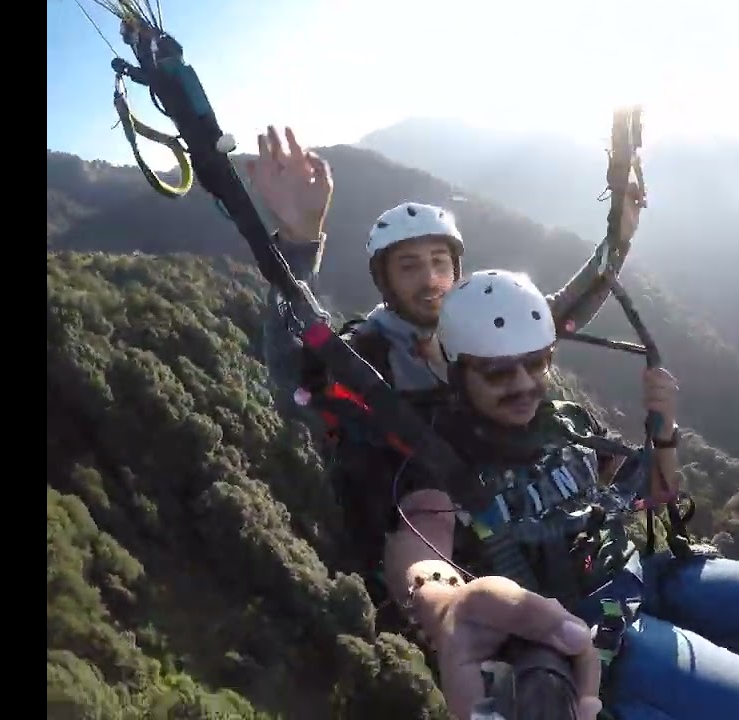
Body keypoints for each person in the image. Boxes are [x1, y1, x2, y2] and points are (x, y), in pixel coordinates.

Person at [382, 270, 739, 720]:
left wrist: (664, 427)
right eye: (498, 373)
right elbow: (421, 550)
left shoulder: (565, 421)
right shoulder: (440, 460)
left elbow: (659, 491)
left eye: (536, 362)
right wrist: (445, 606)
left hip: (638, 573)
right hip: (587, 627)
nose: (525, 384)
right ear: (458, 368)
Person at [247, 126, 643, 610]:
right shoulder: (369, 353)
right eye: (409, 266)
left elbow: (561, 310)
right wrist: (297, 245)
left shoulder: (481, 325)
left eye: (440, 262)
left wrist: (618, 238)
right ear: (384, 280)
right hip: (443, 555)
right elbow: (295, 379)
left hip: (532, 531)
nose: (431, 280)